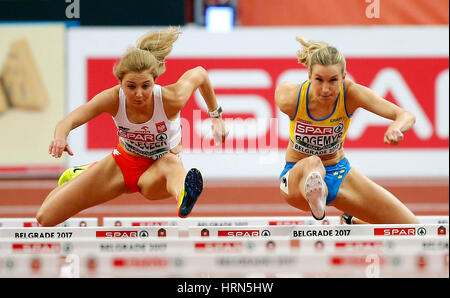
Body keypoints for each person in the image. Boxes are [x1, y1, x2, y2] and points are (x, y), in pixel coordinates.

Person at [36, 27, 228, 227]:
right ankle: (86, 172)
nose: (138, 94)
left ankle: (184, 195)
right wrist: (60, 137)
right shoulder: (112, 99)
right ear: (120, 83)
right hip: (122, 164)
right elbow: (68, 121)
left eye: (145, 86)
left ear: (154, 81)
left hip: (157, 173)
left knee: (172, 163)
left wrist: (217, 117)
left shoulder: (171, 98)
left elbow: (200, 74)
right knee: (46, 217)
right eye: (131, 86)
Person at [276, 36, 418, 224]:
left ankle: (352, 220)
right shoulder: (291, 98)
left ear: (343, 77)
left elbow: (406, 115)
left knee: (410, 226)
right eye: (319, 80)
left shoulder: (350, 94)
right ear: (309, 76)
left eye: (333, 80)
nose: (326, 89)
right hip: (297, 177)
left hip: (339, 173)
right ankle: (315, 191)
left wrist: (396, 127)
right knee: (313, 163)